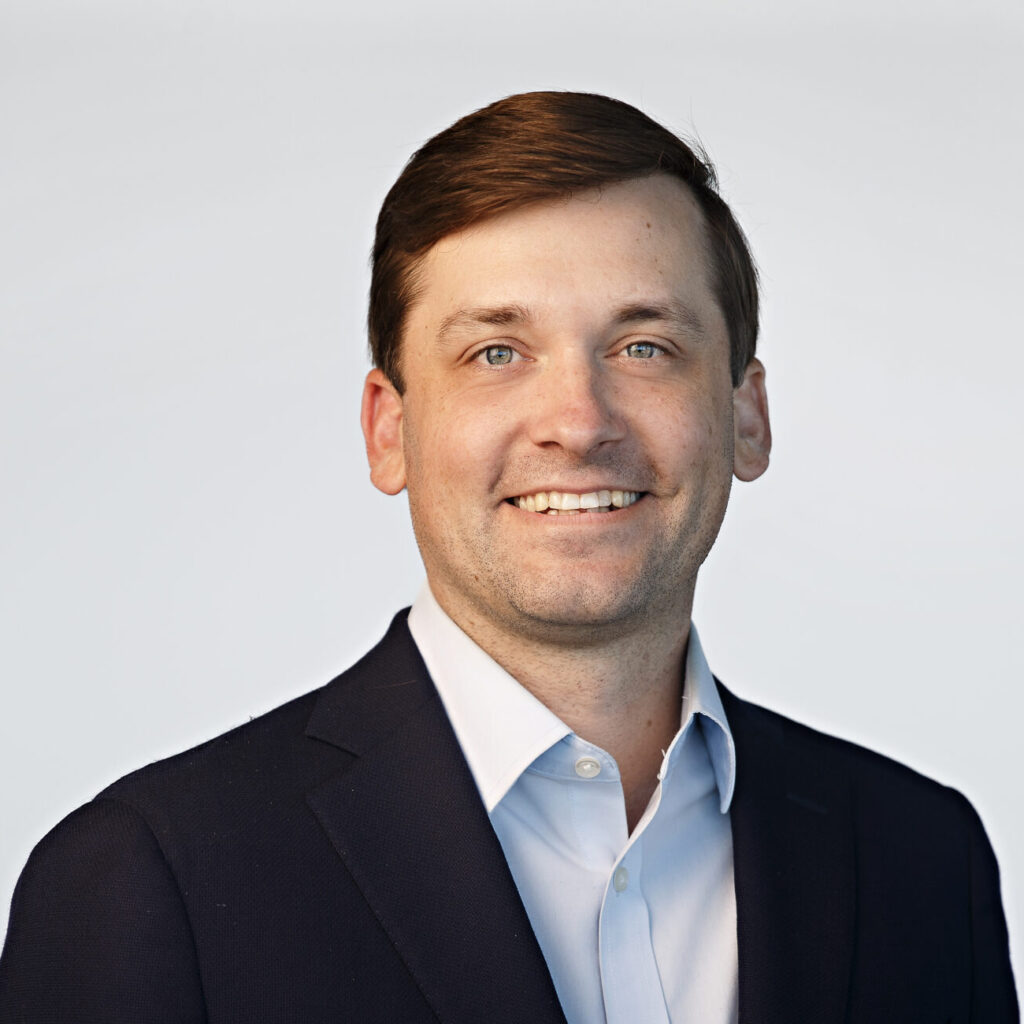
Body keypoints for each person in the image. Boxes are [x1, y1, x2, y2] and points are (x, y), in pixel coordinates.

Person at [0, 91, 1016, 1024]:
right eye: (496, 352)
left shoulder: (922, 860)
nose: (578, 422)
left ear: (747, 416)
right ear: (388, 430)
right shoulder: (148, 879)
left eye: (644, 346)